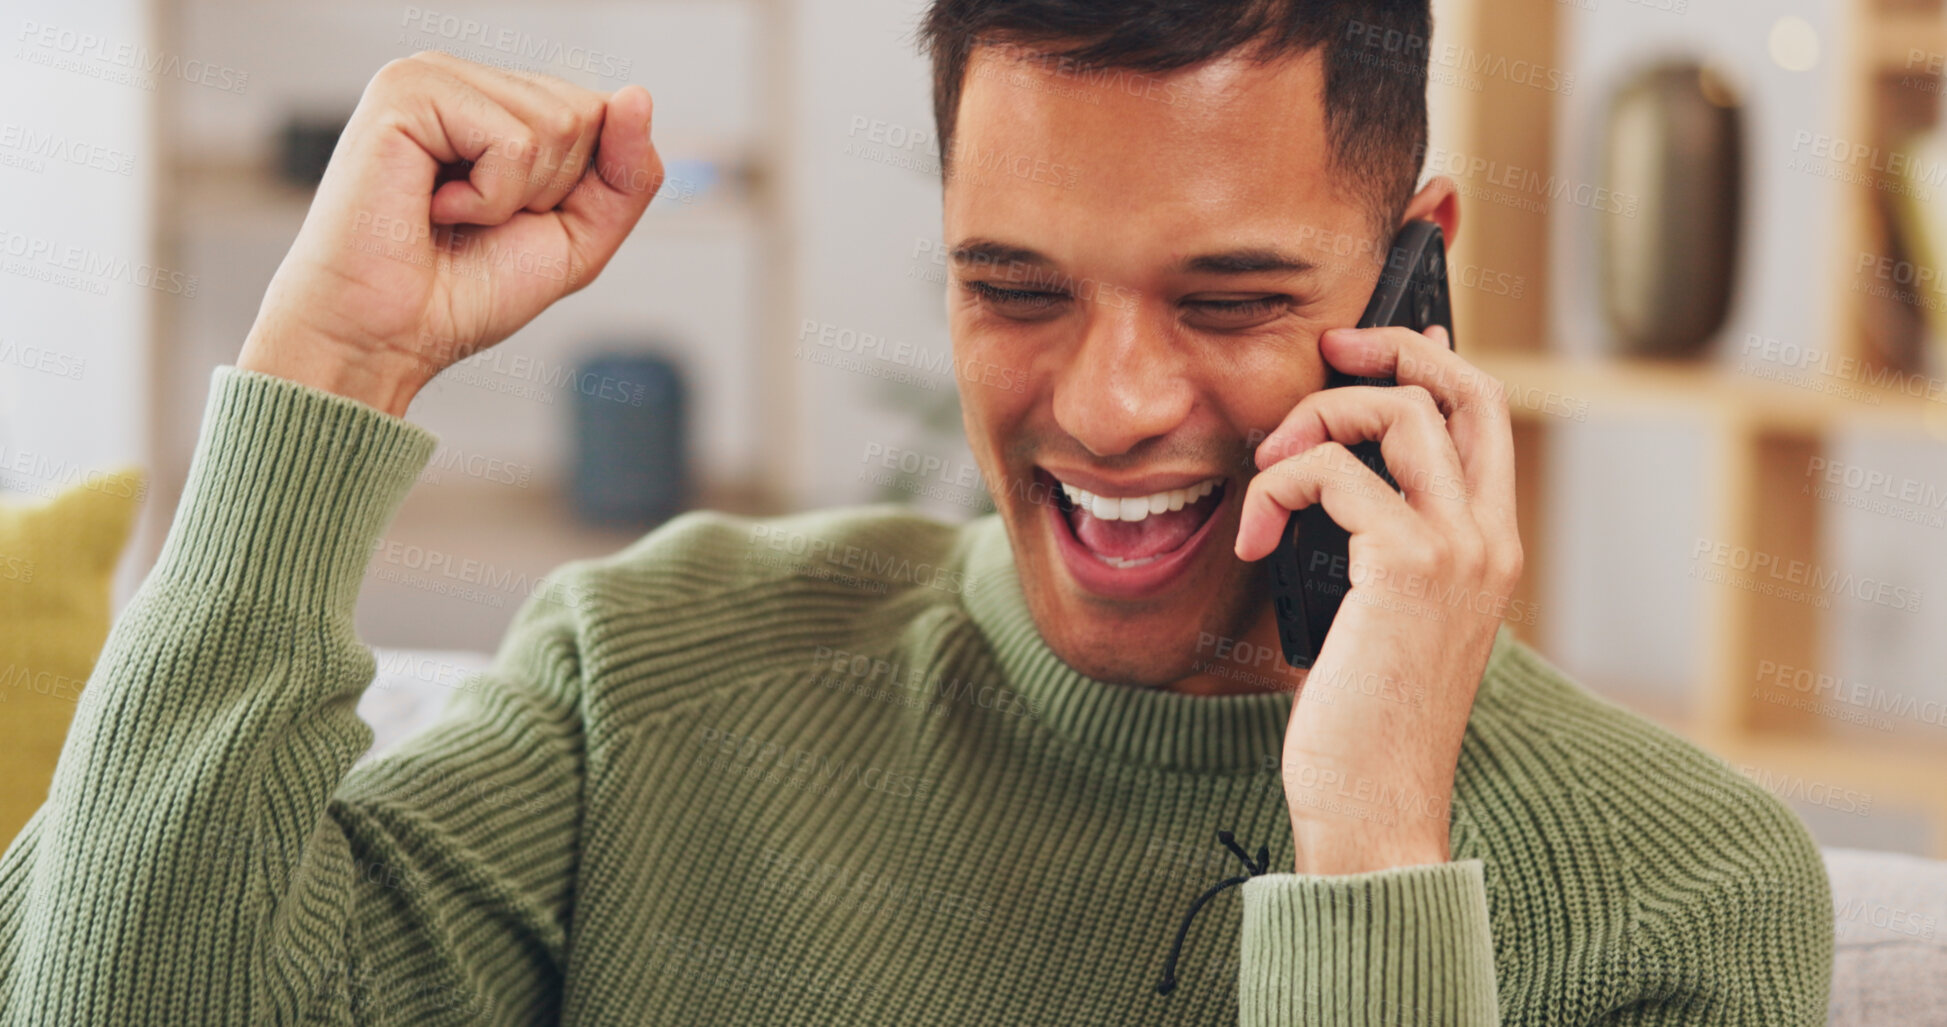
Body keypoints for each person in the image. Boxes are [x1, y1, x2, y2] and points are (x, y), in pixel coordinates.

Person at [0, 0, 1833, 1023]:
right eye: (1017, 289)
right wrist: (326, 374)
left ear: (1409, 275)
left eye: (1230, 303)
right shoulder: (653, 683)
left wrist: (1366, 851)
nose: (1110, 408)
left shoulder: (1692, 902)